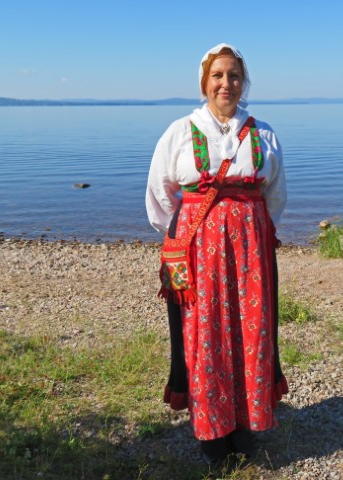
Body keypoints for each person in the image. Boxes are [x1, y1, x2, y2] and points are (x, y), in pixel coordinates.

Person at [145, 43, 288, 464]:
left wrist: (252, 232)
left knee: (251, 330)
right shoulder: (179, 131)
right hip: (198, 249)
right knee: (204, 334)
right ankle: (212, 431)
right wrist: (191, 232)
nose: (227, 83)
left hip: (250, 250)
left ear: (244, 83)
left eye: (235, 76)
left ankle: (245, 426)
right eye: (218, 76)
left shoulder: (263, 134)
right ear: (204, 82)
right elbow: (160, 195)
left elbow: (275, 195)